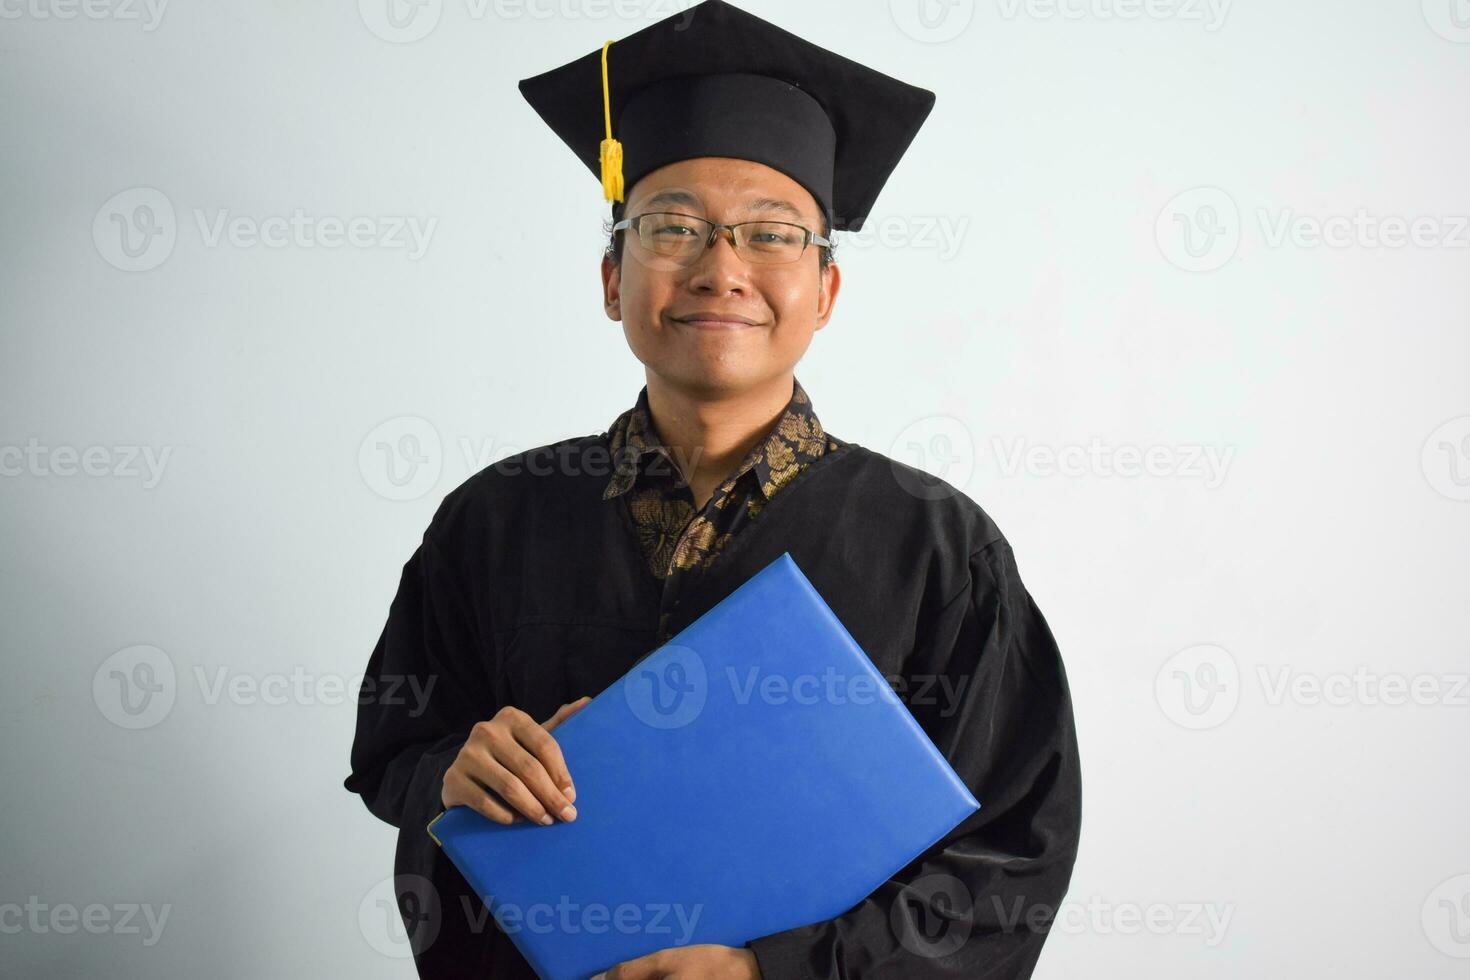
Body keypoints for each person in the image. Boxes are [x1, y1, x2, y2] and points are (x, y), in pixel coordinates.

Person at [343, 2, 1082, 977]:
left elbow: (1009, 857)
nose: (722, 266)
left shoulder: (939, 547)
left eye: (772, 233)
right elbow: (396, 751)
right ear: (613, 277)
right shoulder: (494, 518)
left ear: (824, 290)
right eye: (673, 225)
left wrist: (764, 969)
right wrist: (455, 766)